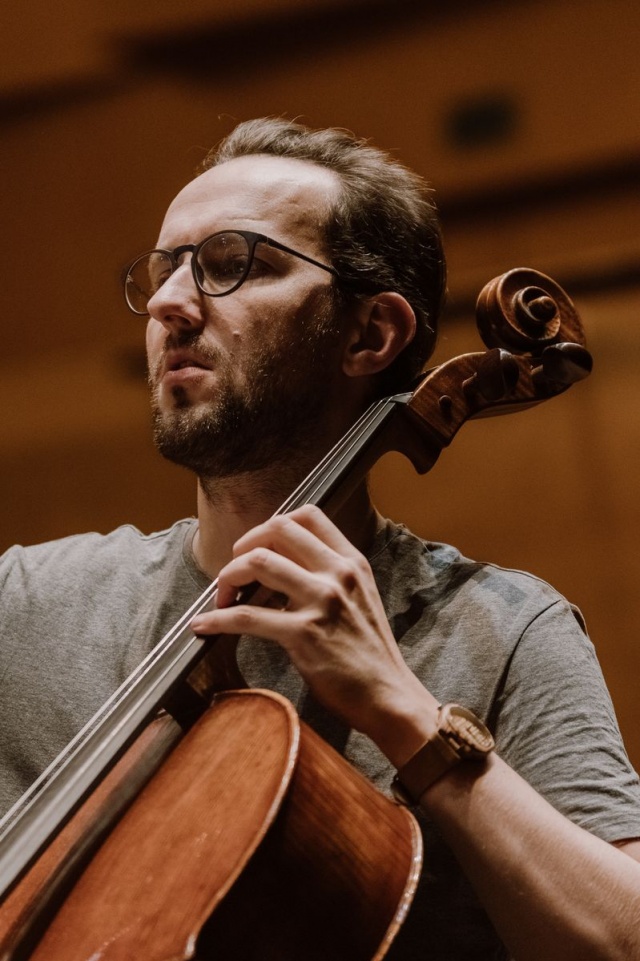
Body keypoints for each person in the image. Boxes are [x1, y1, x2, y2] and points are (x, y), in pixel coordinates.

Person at [1, 117, 640, 960]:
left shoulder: (503, 629)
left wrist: (407, 715)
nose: (167, 303)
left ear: (371, 334)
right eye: (165, 271)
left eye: (232, 265)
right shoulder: (25, 602)